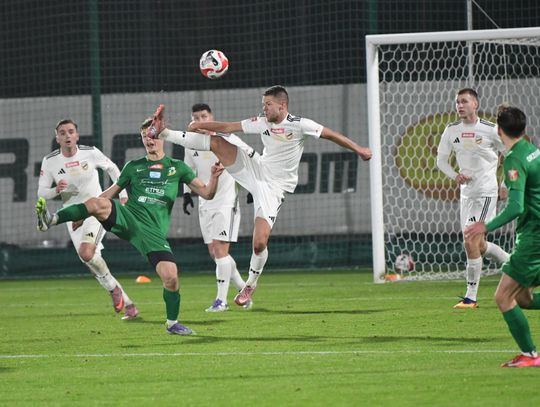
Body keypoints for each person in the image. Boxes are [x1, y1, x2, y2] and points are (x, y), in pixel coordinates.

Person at [145, 85, 372, 306]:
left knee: (259, 244)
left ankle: (250, 285)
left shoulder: (300, 124)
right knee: (216, 142)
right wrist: (198, 125)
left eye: (268, 104)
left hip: (274, 188)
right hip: (257, 170)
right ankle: (164, 132)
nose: (264, 108)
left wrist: (359, 149)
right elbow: (229, 126)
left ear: (282, 105)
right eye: (263, 104)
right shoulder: (262, 122)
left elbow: (331, 135)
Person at [36, 117, 224, 335]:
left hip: (152, 232)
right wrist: (87, 212)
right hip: (129, 217)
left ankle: (172, 323)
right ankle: (51, 220)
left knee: (171, 277)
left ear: (162, 137)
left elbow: (208, 193)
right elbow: (108, 195)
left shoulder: (178, 168)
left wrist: (214, 177)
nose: (149, 140)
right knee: (97, 203)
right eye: (145, 137)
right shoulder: (133, 167)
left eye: (152, 136)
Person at [38, 119, 138, 320]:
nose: (67, 135)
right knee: (91, 262)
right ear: (57, 138)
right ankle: (129, 305)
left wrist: (123, 193)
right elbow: (42, 193)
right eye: (62, 133)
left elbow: (112, 168)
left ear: (77, 135)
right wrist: (55, 190)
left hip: (96, 211)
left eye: (71, 131)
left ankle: (114, 290)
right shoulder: (49, 161)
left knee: (86, 252)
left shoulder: (90, 152)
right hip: (72, 215)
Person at [465, 106, 540, 367]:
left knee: (503, 297)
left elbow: (516, 207)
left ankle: (530, 355)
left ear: (498, 130)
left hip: (533, 239)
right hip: (535, 234)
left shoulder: (514, 159)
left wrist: (484, 226)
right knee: (524, 298)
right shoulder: (532, 150)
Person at [436, 88, 509, 309]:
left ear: (475, 104)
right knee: (479, 244)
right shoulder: (451, 130)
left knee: (469, 239)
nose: (460, 105)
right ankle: (513, 263)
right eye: (457, 102)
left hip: (486, 192)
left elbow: (510, 154)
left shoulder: (490, 129)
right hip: (466, 194)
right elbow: (441, 160)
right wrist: (455, 176)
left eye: (464, 101)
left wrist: (504, 184)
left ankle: (470, 297)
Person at [183, 103, 253, 312]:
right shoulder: (191, 144)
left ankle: (221, 301)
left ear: (211, 117)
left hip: (226, 202)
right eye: (196, 117)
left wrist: (252, 187)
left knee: (220, 250)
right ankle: (243, 290)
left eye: (204, 116)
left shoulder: (227, 138)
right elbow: (188, 171)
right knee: (215, 252)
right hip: (205, 202)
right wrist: (186, 194)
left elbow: (250, 157)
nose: (200, 120)